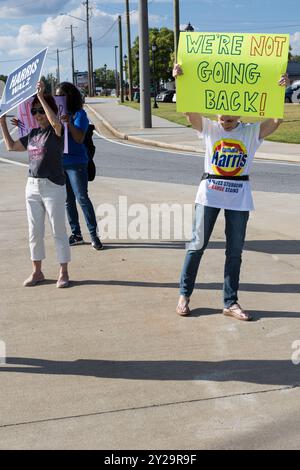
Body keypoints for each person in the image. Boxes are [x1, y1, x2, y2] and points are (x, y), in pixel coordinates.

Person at [173, 64, 289, 321]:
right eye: (222, 119)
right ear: (216, 116)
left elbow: (277, 121)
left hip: (239, 196)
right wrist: (181, 80)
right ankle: (184, 294)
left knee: (234, 251)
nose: (225, 123)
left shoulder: (250, 132)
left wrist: (281, 88)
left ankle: (230, 301)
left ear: (239, 116)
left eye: (230, 119)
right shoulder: (209, 129)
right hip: (209, 193)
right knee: (197, 245)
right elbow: (189, 112)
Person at [0, 81, 71, 288]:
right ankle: (37, 272)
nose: (38, 114)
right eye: (34, 111)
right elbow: (11, 146)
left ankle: (63, 272)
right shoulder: (32, 134)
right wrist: (2, 121)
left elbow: (56, 123)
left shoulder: (56, 132)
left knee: (58, 230)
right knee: (34, 231)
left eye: (41, 111)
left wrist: (40, 96)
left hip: (53, 186)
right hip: (32, 186)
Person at [55, 82, 103, 251]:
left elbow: (79, 138)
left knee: (82, 198)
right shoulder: (56, 114)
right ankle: (76, 234)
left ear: (69, 96)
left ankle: (94, 235)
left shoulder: (79, 114)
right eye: (56, 95)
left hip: (77, 163)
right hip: (61, 162)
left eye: (61, 95)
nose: (58, 98)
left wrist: (68, 123)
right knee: (68, 201)